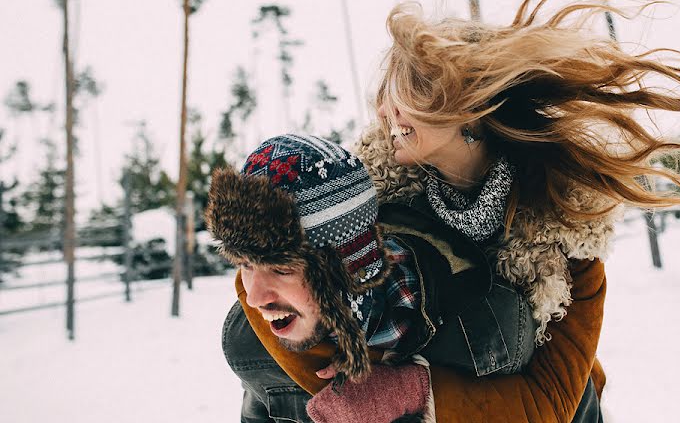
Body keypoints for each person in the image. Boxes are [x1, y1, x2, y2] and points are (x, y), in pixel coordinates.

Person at [221, 0, 680, 422]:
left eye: (405, 94)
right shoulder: (361, 194)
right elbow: (265, 283)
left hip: (550, 411)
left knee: (501, 325)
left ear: (470, 111)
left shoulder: (567, 234)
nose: (383, 110)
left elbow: (549, 401)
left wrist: (418, 391)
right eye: (385, 94)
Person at [209, 133, 537, 423]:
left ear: (350, 264)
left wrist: (422, 396)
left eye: (281, 268)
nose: (254, 298)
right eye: (245, 264)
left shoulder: (489, 328)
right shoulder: (248, 339)